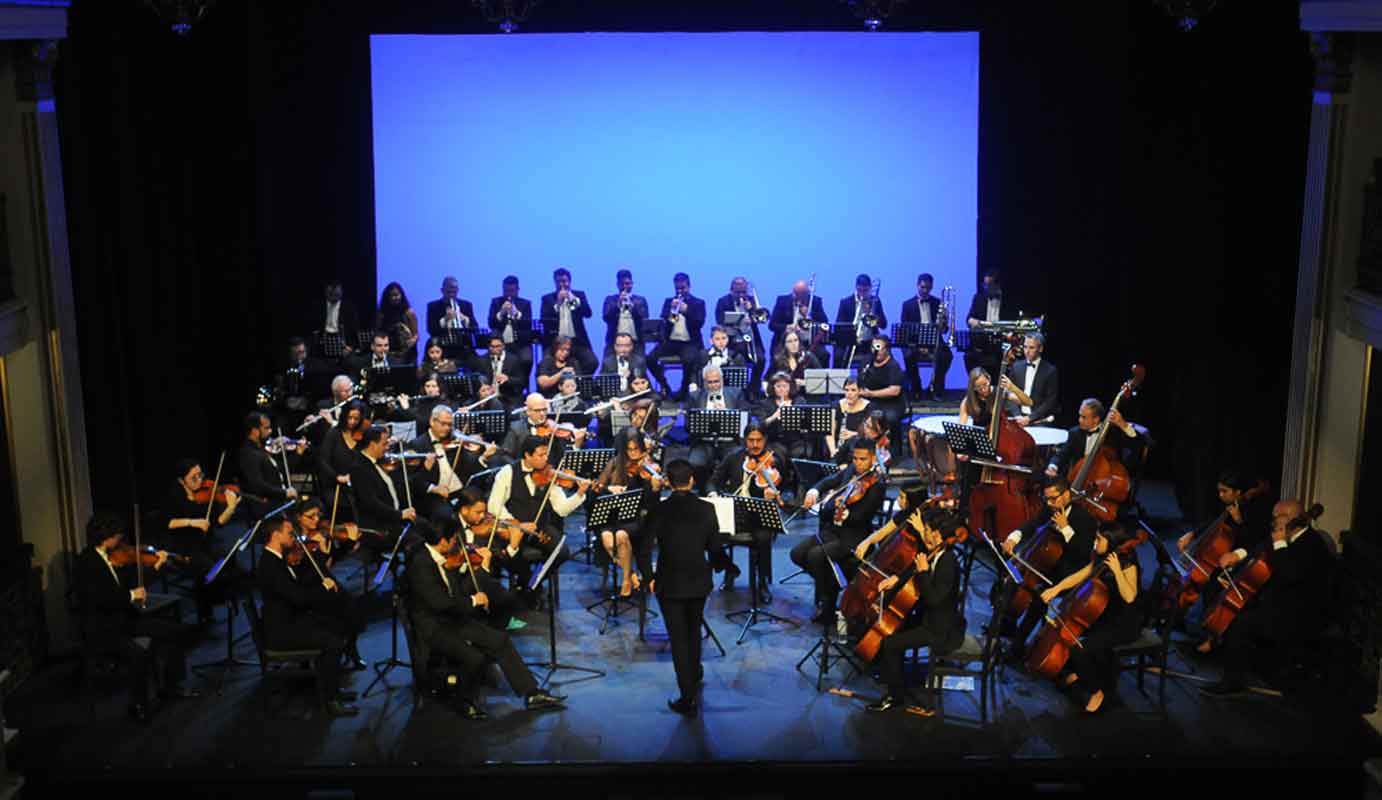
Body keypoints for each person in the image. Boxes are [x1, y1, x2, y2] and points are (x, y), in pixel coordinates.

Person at [406, 518, 566, 719]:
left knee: (500, 640)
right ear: (443, 541)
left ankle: (532, 694)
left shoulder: (441, 557)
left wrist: (464, 574)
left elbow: (453, 593)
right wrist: (473, 600)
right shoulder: (421, 564)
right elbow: (441, 603)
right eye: (454, 539)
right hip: (434, 626)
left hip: (452, 618)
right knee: (474, 656)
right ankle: (464, 701)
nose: (458, 543)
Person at [1199, 499, 1332, 697]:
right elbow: (1258, 549)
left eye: (1277, 517)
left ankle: (1232, 680)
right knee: (1217, 589)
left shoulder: (1312, 544)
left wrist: (1279, 542)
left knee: (1241, 622)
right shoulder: (1282, 535)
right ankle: (1221, 648)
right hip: (1276, 600)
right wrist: (1236, 561)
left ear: (1293, 519)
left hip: (1297, 611)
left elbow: (1289, 573)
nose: (1273, 521)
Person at [77, 512, 199, 724]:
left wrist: (155, 566)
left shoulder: (114, 556)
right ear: (107, 537)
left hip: (125, 620)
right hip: (104, 628)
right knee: (138, 655)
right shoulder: (88, 562)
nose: (122, 541)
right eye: (118, 537)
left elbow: (132, 580)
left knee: (175, 631)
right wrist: (131, 595)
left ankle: (171, 686)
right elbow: (100, 599)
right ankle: (138, 704)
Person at [636, 459, 732, 716]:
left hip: (669, 580)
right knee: (693, 631)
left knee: (678, 638)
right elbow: (714, 548)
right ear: (692, 480)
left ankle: (687, 695)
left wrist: (649, 577)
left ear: (667, 481)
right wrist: (724, 567)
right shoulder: (707, 509)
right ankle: (695, 673)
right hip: (699, 580)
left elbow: (644, 548)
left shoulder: (659, 510)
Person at [854, 501, 966, 712]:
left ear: (940, 535)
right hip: (928, 617)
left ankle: (894, 696)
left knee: (890, 643)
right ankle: (891, 673)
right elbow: (914, 568)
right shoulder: (937, 553)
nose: (927, 535)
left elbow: (933, 598)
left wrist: (923, 573)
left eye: (930, 531)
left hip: (940, 629)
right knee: (894, 627)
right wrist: (895, 579)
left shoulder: (948, 562)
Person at [255, 515, 358, 717]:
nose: (294, 537)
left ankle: (332, 689)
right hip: (283, 630)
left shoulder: (277, 559)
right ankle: (330, 701)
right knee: (333, 642)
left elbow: (297, 588)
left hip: (290, 620)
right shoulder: (270, 565)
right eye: (289, 533)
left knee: (335, 625)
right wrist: (323, 587)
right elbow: (298, 598)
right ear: (275, 535)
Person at [1038, 520, 1143, 713]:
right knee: (1073, 640)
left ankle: (1097, 691)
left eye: (1099, 539)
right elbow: (1082, 574)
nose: (1095, 542)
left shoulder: (1128, 563)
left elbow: (1130, 597)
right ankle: (1080, 673)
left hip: (1124, 623)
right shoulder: (1101, 556)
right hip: (1102, 615)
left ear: (1111, 541)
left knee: (1080, 649)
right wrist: (1056, 589)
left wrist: (1117, 572)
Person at [995, 477, 1099, 663]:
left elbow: (1082, 555)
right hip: (1045, 565)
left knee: (1038, 597)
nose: (1049, 503)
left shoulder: (1086, 520)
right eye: (1047, 499)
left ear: (1066, 494)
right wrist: (1014, 537)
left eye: (1053, 499)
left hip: (1068, 573)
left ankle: (1017, 648)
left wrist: (1066, 529)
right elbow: (1033, 524)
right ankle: (1007, 625)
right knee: (1013, 576)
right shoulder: (1050, 508)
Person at [1174, 471, 1272, 653]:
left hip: (1239, 564)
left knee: (1211, 587)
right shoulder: (1229, 507)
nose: (1220, 495)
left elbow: (1254, 541)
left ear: (1238, 492)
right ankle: (1192, 628)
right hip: (1224, 562)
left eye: (1225, 491)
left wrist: (1239, 521)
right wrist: (1192, 534)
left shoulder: (1253, 511)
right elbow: (1213, 523)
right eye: (1219, 491)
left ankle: (1209, 637)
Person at [790, 440, 887, 623]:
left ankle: (827, 604)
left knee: (816, 556)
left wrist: (841, 510)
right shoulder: (851, 470)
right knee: (797, 554)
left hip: (853, 537)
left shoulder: (877, 485)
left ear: (873, 458)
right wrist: (814, 491)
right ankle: (831, 585)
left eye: (863, 459)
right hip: (832, 531)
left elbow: (860, 518)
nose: (858, 463)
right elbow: (830, 481)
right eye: (856, 458)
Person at [487, 436, 586, 601]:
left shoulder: (548, 475)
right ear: (527, 455)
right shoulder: (508, 472)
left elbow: (561, 509)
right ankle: (527, 584)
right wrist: (518, 524)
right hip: (514, 529)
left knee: (561, 552)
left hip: (539, 528)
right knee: (515, 556)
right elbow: (494, 505)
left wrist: (579, 494)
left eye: (546, 454)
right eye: (541, 455)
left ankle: (533, 582)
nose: (545, 459)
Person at [708, 423, 791, 600]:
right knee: (707, 533)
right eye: (751, 440)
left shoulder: (774, 460)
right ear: (745, 440)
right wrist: (713, 492)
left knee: (762, 537)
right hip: (734, 511)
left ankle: (762, 583)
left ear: (765, 440)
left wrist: (773, 494)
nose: (755, 445)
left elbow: (787, 486)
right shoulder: (734, 457)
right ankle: (729, 568)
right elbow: (713, 480)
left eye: (759, 440)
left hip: (760, 514)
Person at [163, 458, 243, 624]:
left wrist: (230, 508)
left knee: (228, 559)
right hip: (184, 545)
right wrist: (192, 522)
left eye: (201, 475)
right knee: (208, 568)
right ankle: (205, 608)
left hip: (205, 542)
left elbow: (218, 521)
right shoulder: (174, 495)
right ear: (181, 480)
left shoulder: (207, 494)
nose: (200, 480)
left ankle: (216, 596)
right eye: (194, 477)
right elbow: (167, 522)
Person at [293, 499, 368, 671]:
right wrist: (323, 552)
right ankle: (334, 653)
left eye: (318, 515)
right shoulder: (297, 543)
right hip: (310, 587)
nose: (316, 520)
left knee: (353, 608)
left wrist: (349, 542)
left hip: (326, 581)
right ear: (299, 518)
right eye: (310, 516)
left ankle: (350, 649)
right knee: (340, 611)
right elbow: (310, 573)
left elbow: (334, 560)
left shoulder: (321, 535)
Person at [593, 433, 666, 597]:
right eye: (629, 450)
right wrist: (609, 489)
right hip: (613, 515)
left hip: (636, 516)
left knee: (619, 536)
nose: (633, 454)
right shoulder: (615, 463)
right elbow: (598, 487)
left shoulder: (649, 467)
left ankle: (626, 580)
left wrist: (654, 487)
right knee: (607, 539)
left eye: (636, 449)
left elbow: (651, 503)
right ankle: (630, 573)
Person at [408, 404, 499, 520]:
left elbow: (469, 468)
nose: (447, 428)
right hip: (435, 496)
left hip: (460, 490)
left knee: (486, 500)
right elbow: (412, 480)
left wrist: (483, 457)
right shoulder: (417, 444)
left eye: (450, 425)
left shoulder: (455, 441)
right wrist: (433, 486)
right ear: (432, 421)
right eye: (443, 424)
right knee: (446, 515)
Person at [347, 425, 418, 547]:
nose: (387, 448)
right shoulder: (359, 468)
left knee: (427, 527)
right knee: (418, 541)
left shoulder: (376, 462)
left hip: (394, 518)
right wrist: (400, 514)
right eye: (384, 444)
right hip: (381, 525)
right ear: (372, 444)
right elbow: (371, 503)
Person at [1044, 397, 1139, 479]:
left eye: (1084, 417)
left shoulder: (1111, 432)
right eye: (1079, 416)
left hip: (1105, 479)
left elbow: (1135, 443)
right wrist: (1053, 466)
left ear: (1096, 419)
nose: (1079, 420)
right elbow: (1062, 454)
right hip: (1079, 478)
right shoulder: (1075, 433)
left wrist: (1123, 424)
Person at [648, 272, 706, 401]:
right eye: (677, 289)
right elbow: (664, 322)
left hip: (689, 342)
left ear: (689, 287)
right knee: (650, 358)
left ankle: (684, 389)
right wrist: (671, 311)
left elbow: (699, 323)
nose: (680, 291)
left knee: (689, 360)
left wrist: (687, 311)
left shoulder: (698, 303)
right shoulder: (669, 302)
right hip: (671, 342)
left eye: (683, 288)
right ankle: (665, 386)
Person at [685, 365, 746, 487]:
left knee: (738, 462)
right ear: (704, 382)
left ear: (722, 380)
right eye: (710, 382)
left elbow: (744, 421)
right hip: (704, 442)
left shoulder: (736, 393)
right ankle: (706, 490)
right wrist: (702, 418)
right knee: (695, 463)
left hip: (729, 442)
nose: (713, 385)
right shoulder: (694, 396)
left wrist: (727, 413)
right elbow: (688, 425)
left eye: (716, 381)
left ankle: (731, 492)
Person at [238, 411, 303, 517]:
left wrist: (298, 453)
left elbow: (281, 471)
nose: (270, 431)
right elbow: (258, 485)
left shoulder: (262, 450)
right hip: (266, 508)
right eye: (266, 428)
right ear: (255, 431)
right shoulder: (249, 453)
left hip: (278, 503)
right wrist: (285, 493)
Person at [901, 273, 954, 401]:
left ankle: (936, 389)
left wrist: (944, 322)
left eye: (928, 288)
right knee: (908, 355)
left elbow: (944, 330)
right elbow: (905, 329)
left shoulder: (937, 303)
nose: (925, 291)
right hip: (915, 342)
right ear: (917, 285)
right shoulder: (907, 304)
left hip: (934, 340)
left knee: (947, 356)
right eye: (923, 287)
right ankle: (916, 389)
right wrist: (919, 347)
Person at [714, 277, 767, 399]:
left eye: (743, 292)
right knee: (739, 361)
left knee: (761, 359)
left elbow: (761, 319)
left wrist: (751, 310)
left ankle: (753, 388)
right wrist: (738, 321)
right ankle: (739, 393)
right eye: (738, 292)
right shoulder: (723, 302)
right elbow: (720, 321)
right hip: (732, 341)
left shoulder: (751, 301)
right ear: (731, 290)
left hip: (751, 339)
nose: (741, 295)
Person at [539, 267, 598, 376]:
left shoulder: (579, 295)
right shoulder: (547, 299)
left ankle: (577, 382)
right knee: (545, 364)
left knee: (592, 362)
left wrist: (574, 300)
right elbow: (544, 320)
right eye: (559, 282)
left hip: (577, 341)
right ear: (555, 282)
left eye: (565, 281)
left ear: (570, 282)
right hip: (555, 342)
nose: (562, 284)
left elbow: (588, 313)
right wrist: (557, 303)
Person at [502, 392, 588, 467]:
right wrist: (520, 468)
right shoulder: (516, 428)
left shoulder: (553, 429)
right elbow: (505, 455)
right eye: (537, 410)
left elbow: (563, 457)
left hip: (549, 475)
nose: (542, 414)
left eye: (544, 409)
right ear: (528, 411)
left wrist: (576, 445)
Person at [964, 269, 1016, 377]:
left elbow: (1013, 324)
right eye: (985, 285)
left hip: (1001, 342)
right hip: (982, 342)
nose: (986, 288)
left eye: (990, 285)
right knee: (968, 356)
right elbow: (969, 318)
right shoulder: (978, 298)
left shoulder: (1008, 301)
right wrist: (972, 321)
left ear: (998, 284)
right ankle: (976, 389)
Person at [315, 399, 369, 499]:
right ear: (344, 416)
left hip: (359, 485)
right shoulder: (334, 433)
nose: (352, 422)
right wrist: (337, 477)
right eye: (349, 418)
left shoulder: (363, 435)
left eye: (356, 419)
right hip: (336, 485)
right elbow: (323, 461)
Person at [769, 279, 830, 366]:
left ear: (807, 293)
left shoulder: (815, 301)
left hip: (808, 342)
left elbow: (824, 323)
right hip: (787, 342)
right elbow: (772, 325)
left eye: (801, 295)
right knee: (777, 355)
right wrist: (788, 327)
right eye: (796, 294)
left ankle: (820, 378)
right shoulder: (782, 301)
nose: (797, 297)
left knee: (824, 355)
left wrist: (810, 314)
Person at [757, 371, 815, 460]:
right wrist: (775, 416)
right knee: (777, 457)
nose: (781, 389)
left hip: (797, 440)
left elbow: (806, 422)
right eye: (778, 386)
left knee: (800, 454)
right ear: (773, 388)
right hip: (775, 440)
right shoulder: (765, 403)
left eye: (785, 386)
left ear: (790, 387)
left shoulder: (799, 401)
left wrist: (791, 412)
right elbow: (761, 425)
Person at [1004, 333, 1059, 426]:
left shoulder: (1050, 371)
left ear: (1040, 349)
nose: (1027, 351)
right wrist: (1017, 415)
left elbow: (1050, 401)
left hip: (1039, 420)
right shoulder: (1016, 366)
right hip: (1018, 418)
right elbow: (1009, 394)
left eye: (1031, 348)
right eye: (1025, 347)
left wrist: (1030, 418)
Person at [834, 273, 887, 368]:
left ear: (870, 288)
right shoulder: (845, 302)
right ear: (856, 287)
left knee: (885, 352)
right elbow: (839, 326)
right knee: (838, 355)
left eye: (865, 289)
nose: (862, 292)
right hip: (850, 341)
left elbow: (884, 325)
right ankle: (840, 381)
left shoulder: (875, 301)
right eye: (860, 289)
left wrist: (873, 314)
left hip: (868, 342)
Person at [487, 275, 535, 379]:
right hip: (501, 342)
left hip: (520, 343)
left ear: (517, 290)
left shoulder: (525, 304)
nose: (509, 294)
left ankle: (522, 385)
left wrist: (516, 313)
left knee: (527, 359)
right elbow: (491, 324)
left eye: (512, 291)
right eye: (506, 291)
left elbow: (528, 326)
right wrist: (501, 312)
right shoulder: (496, 302)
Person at [856, 335, 906, 433]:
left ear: (887, 350)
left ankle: (894, 445)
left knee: (890, 418)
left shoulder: (893, 366)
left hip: (891, 403)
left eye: (879, 348)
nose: (876, 351)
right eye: (873, 347)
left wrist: (871, 393)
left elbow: (894, 391)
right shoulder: (866, 362)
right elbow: (860, 380)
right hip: (870, 401)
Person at [601, 268, 651, 357]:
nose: (624, 286)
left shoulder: (640, 300)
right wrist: (618, 305)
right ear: (617, 285)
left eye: (627, 283)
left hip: (636, 341)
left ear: (632, 284)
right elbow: (606, 317)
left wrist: (633, 307)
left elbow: (645, 318)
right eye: (621, 284)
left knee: (640, 366)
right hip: (614, 341)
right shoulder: (610, 300)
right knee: (608, 366)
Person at [471, 333, 527, 412]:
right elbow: (477, 379)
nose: (495, 349)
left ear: (503, 346)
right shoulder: (481, 360)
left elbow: (521, 382)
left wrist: (508, 379)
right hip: (487, 398)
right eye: (492, 347)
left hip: (508, 398)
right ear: (488, 347)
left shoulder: (514, 360)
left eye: (498, 346)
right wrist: (483, 387)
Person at [376, 281, 420, 365]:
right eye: (391, 295)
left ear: (401, 295)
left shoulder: (409, 312)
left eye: (396, 295)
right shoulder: (381, 313)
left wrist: (411, 341)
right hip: (388, 352)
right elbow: (378, 332)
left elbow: (416, 335)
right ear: (387, 297)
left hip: (408, 353)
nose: (394, 298)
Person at [691, 326, 744, 395]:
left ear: (727, 339)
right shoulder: (703, 355)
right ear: (711, 341)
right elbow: (694, 372)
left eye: (724, 338)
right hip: (705, 392)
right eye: (717, 339)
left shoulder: (736, 357)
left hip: (728, 394)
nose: (721, 342)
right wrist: (693, 384)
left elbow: (741, 381)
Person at [826, 377, 871, 459]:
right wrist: (833, 451)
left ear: (860, 391)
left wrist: (854, 434)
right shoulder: (837, 405)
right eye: (846, 390)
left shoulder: (868, 407)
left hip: (859, 449)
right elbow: (829, 433)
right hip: (838, 449)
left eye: (853, 390)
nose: (849, 393)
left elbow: (871, 434)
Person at [770, 328, 821, 395]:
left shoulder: (808, 357)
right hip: (785, 395)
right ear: (784, 344)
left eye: (796, 340)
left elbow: (820, 378)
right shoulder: (778, 359)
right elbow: (768, 379)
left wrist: (805, 382)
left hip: (807, 395)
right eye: (789, 341)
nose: (794, 344)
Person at [317, 281, 360, 358]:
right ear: (326, 292)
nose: (333, 294)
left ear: (341, 292)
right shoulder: (318, 306)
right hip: (323, 341)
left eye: (336, 292)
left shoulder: (349, 307)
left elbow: (354, 329)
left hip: (343, 341)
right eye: (331, 292)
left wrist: (351, 347)